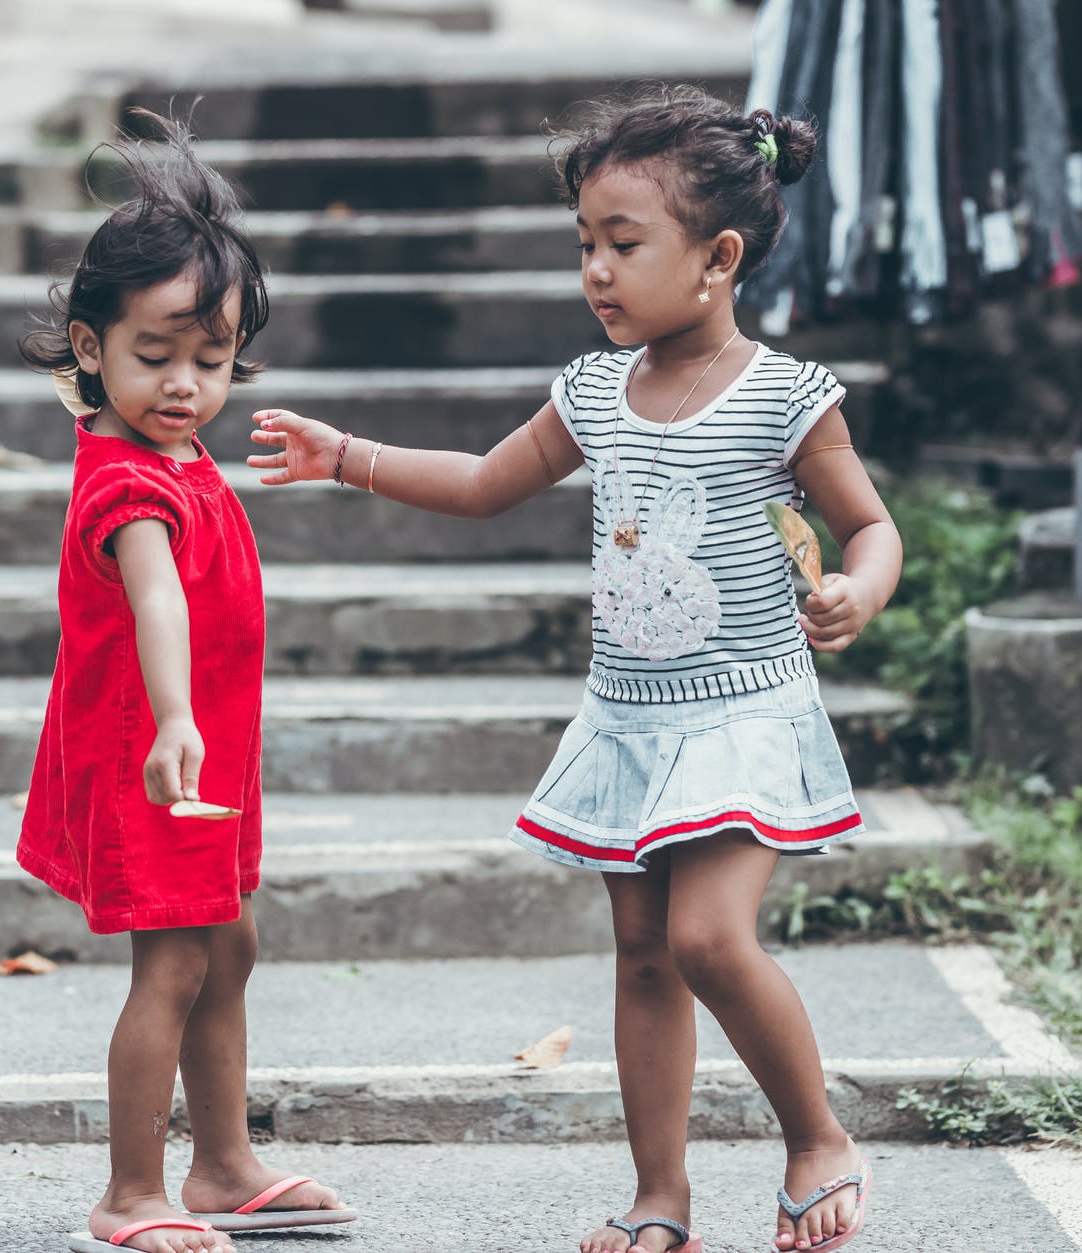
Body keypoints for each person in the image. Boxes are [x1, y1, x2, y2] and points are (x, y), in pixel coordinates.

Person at [247, 87, 900, 1253]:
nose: (595, 271)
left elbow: (871, 527)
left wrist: (858, 587)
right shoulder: (594, 391)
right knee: (642, 953)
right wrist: (345, 455)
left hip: (742, 708)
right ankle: (660, 1196)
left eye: (623, 244)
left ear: (718, 258)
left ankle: (814, 1135)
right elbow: (482, 480)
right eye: (583, 245)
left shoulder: (784, 396)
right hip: (630, 715)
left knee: (706, 938)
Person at [16, 112, 357, 1253]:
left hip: (204, 749)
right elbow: (154, 593)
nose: (184, 384)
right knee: (170, 959)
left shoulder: (173, 452)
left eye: (210, 361)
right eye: (154, 354)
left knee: (228, 943)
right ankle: (130, 1189)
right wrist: (171, 716)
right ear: (87, 343)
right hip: (155, 752)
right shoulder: (123, 483)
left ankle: (221, 1164)